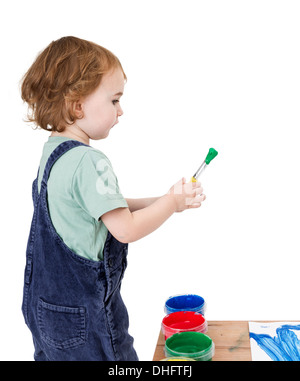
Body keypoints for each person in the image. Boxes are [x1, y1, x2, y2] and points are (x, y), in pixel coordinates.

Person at [20, 36, 206, 361]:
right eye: (114, 100)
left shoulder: (53, 154)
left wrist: (162, 199)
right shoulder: (91, 162)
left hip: (47, 311)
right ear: (78, 105)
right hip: (86, 318)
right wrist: (172, 205)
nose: (121, 111)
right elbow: (126, 229)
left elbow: (105, 208)